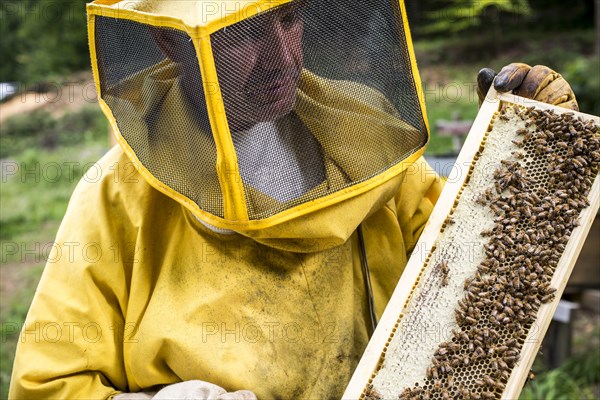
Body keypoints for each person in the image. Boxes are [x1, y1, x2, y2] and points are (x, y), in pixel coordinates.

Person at [9, 0, 578, 399]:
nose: (282, 56)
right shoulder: (115, 196)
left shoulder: (359, 129)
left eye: (288, 19)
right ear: (170, 41)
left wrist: (531, 149)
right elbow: (49, 384)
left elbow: (474, 260)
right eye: (247, 33)